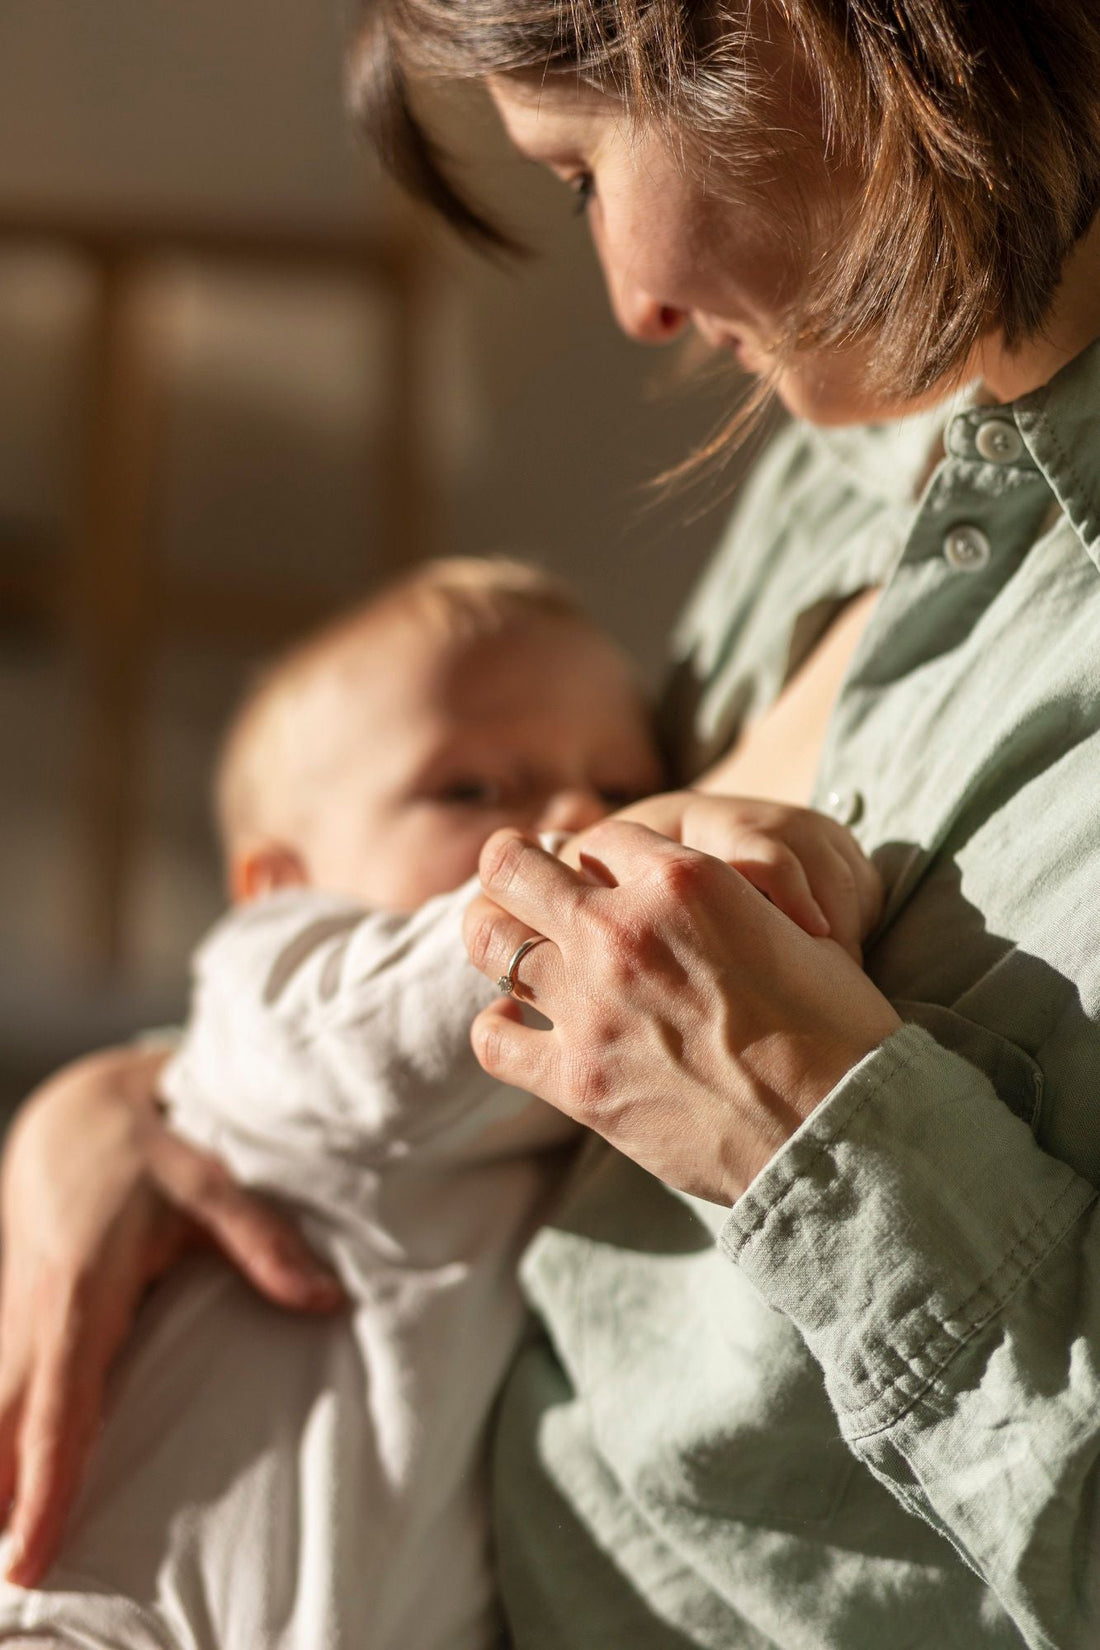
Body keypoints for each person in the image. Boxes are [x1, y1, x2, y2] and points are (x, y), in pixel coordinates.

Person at [3, 1, 1100, 1645]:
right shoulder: (868, 431)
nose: (638, 304)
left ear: (790, 30)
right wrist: (125, 1105)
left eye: (581, 171)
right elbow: (494, 965)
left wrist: (800, 1120)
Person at [0, 556, 879, 1650]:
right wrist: (661, 846)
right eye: (470, 790)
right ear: (280, 881)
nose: (572, 814)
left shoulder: (542, 1118)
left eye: (615, 784)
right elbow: (403, 1026)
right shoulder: (281, 982)